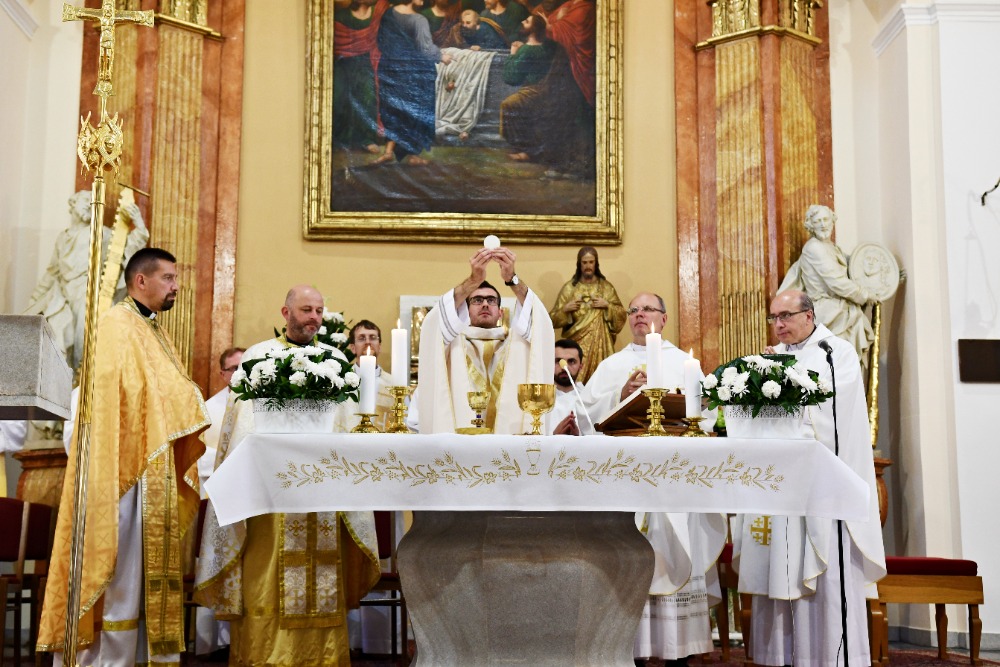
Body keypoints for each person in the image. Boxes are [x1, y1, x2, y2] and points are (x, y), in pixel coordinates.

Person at [37, 248, 209, 665]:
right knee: (121, 578)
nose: (176, 286)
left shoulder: (152, 329)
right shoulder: (117, 325)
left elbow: (165, 391)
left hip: (152, 471)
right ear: (141, 281)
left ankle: (143, 658)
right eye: (168, 278)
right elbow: (115, 396)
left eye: (176, 278)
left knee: (143, 578)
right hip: (124, 472)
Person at [194, 285, 379, 667]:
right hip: (268, 498)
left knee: (321, 578)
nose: (314, 317)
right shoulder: (259, 356)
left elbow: (346, 427)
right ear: (286, 313)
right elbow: (239, 427)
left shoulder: (334, 360)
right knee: (265, 575)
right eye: (306, 309)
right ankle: (263, 658)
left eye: (319, 311)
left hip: (322, 495)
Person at [734, 290, 886, 667]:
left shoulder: (836, 353)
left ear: (809, 315)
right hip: (781, 487)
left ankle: (832, 656)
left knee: (825, 570)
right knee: (780, 566)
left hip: (822, 488)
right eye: (773, 318)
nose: (778, 324)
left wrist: (788, 393)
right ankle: (781, 656)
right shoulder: (772, 358)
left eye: (785, 316)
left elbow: (836, 415)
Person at [580, 291, 724, 664]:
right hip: (627, 484)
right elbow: (586, 416)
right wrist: (621, 394)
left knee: (676, 548)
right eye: (634, 310)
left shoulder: (684, 364)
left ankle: (680, 651)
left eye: (647, 309)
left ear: (664, 318)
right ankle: (634, 652)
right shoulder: (612, 365)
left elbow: (707, 416)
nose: (639, 314)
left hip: (675, 483)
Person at [416, 246, 554, 434]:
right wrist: (472, 282)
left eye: (491, 300)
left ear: (501, 312)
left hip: (508, 442)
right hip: (461, 442)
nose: (485, 304)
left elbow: (540, 323)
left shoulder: (517, 344)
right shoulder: (452, 343)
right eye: (477, 300)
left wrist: (512, 279)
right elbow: (433, 325)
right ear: (465, 310)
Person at [24, 189, 148, 370]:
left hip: (87, 295)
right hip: (62, 297)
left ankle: (80, 380)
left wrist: (139, 226)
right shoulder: (63, 237)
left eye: (92, 202)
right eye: (85, 200)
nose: (90, 205)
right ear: (73, 204)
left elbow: (126, 249)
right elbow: (52, 272)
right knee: (56, 334)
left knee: (85, 339)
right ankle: (65, 379)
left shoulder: (101, 234)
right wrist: (34, 300)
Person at [779, 204, 876, 370]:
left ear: (832, 221)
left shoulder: (830, 246)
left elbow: (854, 267)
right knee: (834, 364)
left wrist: (882, 277)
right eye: (818, 221)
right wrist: (865, 295)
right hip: (830, 312)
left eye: (826, 220)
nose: (823, 225)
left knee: (845, 364)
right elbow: (836, 282)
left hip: (840, 309)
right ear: (811, 225)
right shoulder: (814, 248)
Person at [376, 0, 453, 165]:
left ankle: (388, 151)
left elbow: (381, 42)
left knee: (393, 110)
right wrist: (442, 57)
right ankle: (411, 155)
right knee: (413, 113)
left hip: (390, 68)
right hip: (412, 73)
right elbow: (426, 49)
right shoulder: (419, 20)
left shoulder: (388, 14)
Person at [548, 246, 626, 383]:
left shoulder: (606, 287)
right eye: (584, 262)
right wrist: (565, 310)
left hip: (601, 346)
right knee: (576, 382)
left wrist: (607, 306)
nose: (588, 266)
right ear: (579, 264)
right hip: (576, 347)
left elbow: (621, 315)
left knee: (601, 382)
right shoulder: (570, 288)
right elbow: (552, 319)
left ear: (596, 263)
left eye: (591, 262)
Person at [333, 0, 391, 152]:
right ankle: (342, 139)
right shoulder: (341, 16)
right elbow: (336, 42)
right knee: (340, 97)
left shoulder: (379, 12)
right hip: (343, 63)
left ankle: (366, 139)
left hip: (367, 62)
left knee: (368, 96)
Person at [335, 319, 404, 430]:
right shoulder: (340, 382)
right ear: (353, 348)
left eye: (372, 337)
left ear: (379, 346)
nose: (368, 342)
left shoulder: (394, 385)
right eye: (362, 338)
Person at [548, 338, 591, 436]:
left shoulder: (589, 400)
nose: (564, 367)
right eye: (558, 361)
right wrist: (553, 436)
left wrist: (578, 438)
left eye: (571, 361)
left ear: (581, 366)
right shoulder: (540, 400)